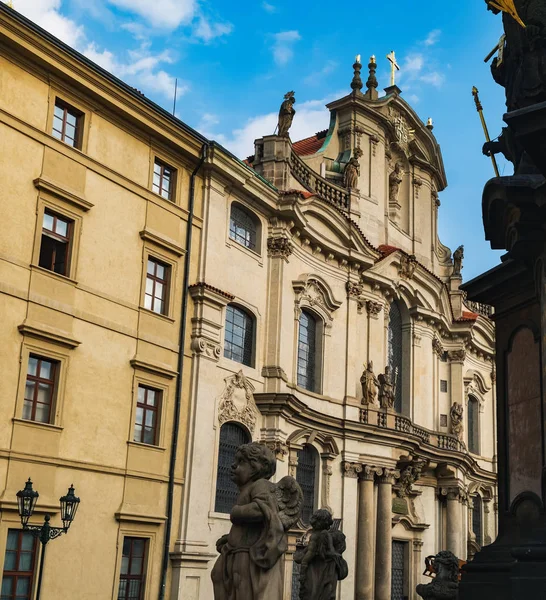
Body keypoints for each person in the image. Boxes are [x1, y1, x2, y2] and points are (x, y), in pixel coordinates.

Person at [211, 442, 301, 600]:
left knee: (245, 590)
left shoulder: (261, 485)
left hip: (249, 556)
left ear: (257, 467)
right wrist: (230, 538)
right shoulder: (249, 489)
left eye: (241, 462)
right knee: (222, 579)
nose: (234, 466)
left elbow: (264, 510)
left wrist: (237, 512)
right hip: (238, 551)